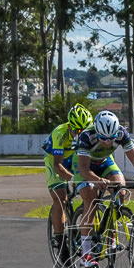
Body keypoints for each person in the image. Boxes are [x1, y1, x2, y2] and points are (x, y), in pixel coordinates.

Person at [73, 110, 134, 268]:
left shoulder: (122, 133)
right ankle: (86, 253)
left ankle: (110, 235)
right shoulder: (86, 136)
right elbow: (83, 169)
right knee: (91, 199)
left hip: (104, 162)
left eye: (111, 138)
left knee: (121, 192)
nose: (108, 142)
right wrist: (96, 180)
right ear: (97, 132)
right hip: (84, 165)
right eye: (103, 138)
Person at [41, 104, 93, 258]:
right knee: (60, 199)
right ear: (70, 125)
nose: (80, 134)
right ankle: (60, 238)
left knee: (90, 193)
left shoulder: (90, 134)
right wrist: (73, 178)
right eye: (77, 130)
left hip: (73, 158)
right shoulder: (60, 133)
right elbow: (57, 166)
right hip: (54, 161)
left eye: (83, 130)